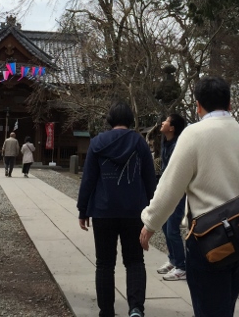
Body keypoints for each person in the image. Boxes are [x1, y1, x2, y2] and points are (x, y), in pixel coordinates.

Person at [139, 76, 239, 317]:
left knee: (210, 309)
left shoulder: (193, 135)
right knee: (224, 306)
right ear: (230, 104)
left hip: (209, 240)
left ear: (198, 105)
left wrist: (150, 223)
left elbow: (170, 186)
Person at [77, 102, 156, 317]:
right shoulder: (139, 142)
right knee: (134, 260)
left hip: (103, 210)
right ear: (130, 119)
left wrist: (82, 209)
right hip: (134, 210)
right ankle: (136, 309)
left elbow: (89, 179)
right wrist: (153, 211)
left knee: (104, 263)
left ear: (110, 120)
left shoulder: (97, 143)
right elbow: (149, 179)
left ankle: (107, 312)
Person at [155, 112, 187, 281]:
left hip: (178, 192)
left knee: (172, 228)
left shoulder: (178, 145)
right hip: (166, 190)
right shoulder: (165, 141)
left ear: (172, 128)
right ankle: (174, 259)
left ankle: (182, 267)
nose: (162, 123)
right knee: (164, 225)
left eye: (166, 121)